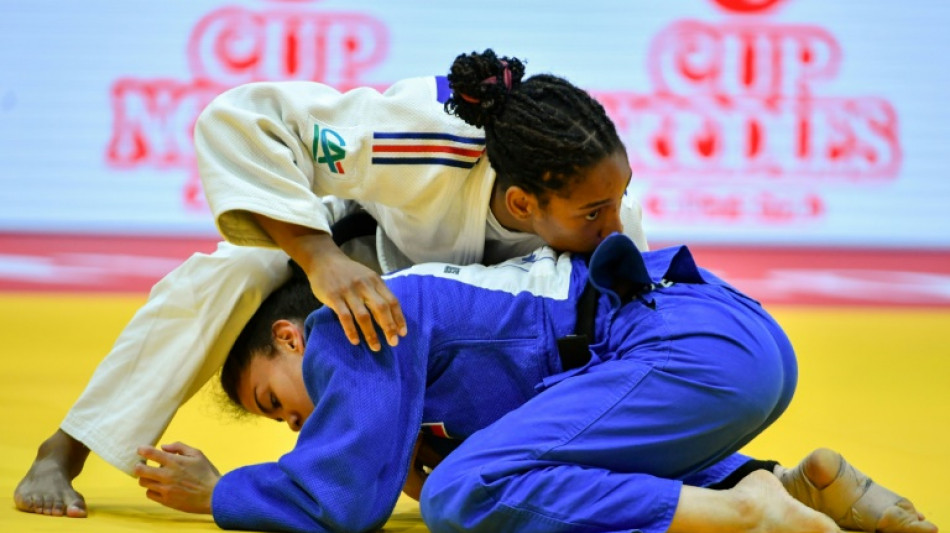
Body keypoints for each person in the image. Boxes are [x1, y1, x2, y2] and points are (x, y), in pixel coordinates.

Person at [15, 48, 649, 518]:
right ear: (519, 202)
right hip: (368, 257)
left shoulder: (611, 222)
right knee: (237, 265)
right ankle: (65, 448)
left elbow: (619, 358)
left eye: (616, 202)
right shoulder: (428, 138)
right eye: (596, 213)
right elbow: (239, 120)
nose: (613, 223)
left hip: (491, 306)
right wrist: (319, 258)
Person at [134, 235, 937, 533]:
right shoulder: (427, 318)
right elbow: (564, 444)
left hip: (686, 350)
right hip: (738, 340)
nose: (295, 425)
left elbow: (343, 498)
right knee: (516, 469)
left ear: (287, 335)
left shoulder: (346, 323)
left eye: (276, 400)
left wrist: (223, 493)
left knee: (464, 494)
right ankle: (798, 484)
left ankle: (744, 512)